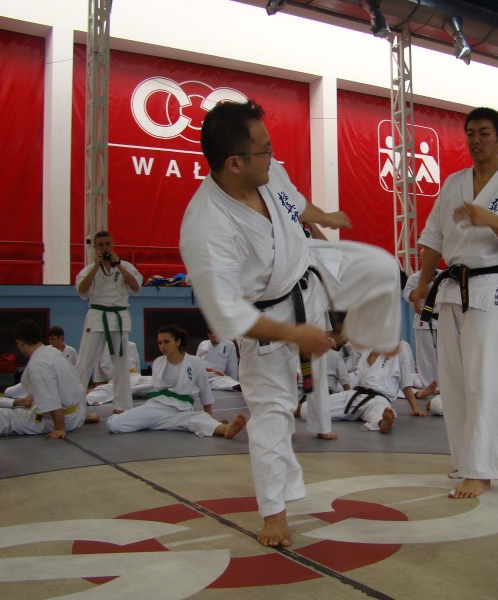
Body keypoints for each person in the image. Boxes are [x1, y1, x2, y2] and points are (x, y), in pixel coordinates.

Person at [179, 100, 400, 547]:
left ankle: (359, 333)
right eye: (264, 149)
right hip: (265, 320)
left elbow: (294, 204)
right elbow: (231, 315)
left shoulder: (267, 172)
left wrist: (326, 217)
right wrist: (291, 334)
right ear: (234, 162)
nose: (272, 155)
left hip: (309, 270)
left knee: (382, 266)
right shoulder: (205, 227)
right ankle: (275, 513)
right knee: (272, 415)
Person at [409, 106, 498, 499]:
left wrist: (489, 219)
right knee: (453, 380)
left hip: (491, 286)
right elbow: (433, 237)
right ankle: (467, 460)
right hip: (452, 288)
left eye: (484, 133)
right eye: (470, 133)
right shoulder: (453, 183)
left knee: (484, 379)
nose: (476, 140)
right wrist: (423, 284)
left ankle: (483, 470)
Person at [106, 325, 246, 438]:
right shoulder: (158, 362)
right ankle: (161, 423)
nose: (163, 346)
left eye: (167, 341)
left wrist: (210, 418)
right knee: (114, 424)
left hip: (182, 409)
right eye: (160, 343)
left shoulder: (194, 362)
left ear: (178, 342)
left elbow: (205, 392)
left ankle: (225, 429)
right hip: (158, 407)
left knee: (198, 420)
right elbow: (155, 390)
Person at [0, 320, 87, 440]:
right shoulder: (52, 351)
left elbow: (52, 400)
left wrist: (59, 428)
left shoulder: (38, 364)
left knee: (5, 416)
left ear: (19, 342)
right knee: (24, 404)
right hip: (76, 412)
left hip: (61, 420)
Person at [75, 231, 143, 412]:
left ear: (112, 245)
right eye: (100, 245)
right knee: (85, 362)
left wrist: (118, 265)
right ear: (94, 247)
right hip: (97, 316)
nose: (104, 248)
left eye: (107, 244)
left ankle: (122, 407)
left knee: (121, 363)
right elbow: (82, 290)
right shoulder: (89, 269)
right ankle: (75, 406)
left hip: (119, 316)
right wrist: (96, 267)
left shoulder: (125, 266)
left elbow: (136, 287)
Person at [297, 345, 426, 433]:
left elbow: (406, 383)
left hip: (379, 399)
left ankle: (384, 423)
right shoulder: (368, 347)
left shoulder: (400, 348)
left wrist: (415, 408)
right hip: (355, 394)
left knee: (381, 412)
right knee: (309, 408)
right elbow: (357, 374)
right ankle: (298, 408)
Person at [4, 324, 78, 399]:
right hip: (44, 379)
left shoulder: (71, 351)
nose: (51, 342)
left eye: (53, 339)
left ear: (61, 337)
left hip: (62, 383)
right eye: (49, 339)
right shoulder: (47, 350)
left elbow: (76, 370)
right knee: (10, 392)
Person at [403, 260, 440, 393]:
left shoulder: (443, 276)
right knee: (425, 357)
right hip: (423, 320)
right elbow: (409, 297)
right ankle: (428, 385)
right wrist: (423, 285)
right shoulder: (414, 278)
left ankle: (445, 385)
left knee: (444, 355)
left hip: (442, 319)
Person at [86, 340, 151, 405]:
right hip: (116, 383)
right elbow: (99, 381)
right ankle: (85, 399)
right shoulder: (100, 350)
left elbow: (137, 370)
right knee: (105, 390)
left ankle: (134, 392)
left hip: (136, 380)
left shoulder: (131, 345)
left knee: (154, 382)